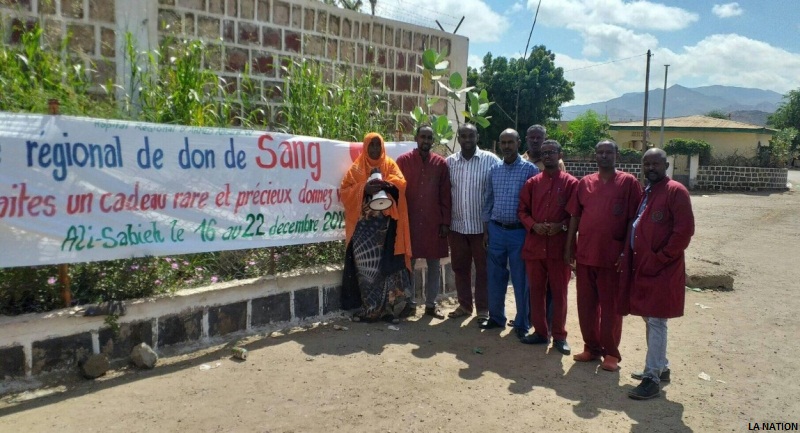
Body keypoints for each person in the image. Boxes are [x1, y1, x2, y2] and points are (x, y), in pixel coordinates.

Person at [619, 148, 695, 400]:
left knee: (656, 319)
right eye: (646, 163)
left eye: (656, 163)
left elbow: (683, 232)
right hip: (644, 266)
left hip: (663, 268)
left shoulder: (675, 191)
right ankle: (661, 367)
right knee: (648, 317)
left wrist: (660, 258)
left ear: (666, 165)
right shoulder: (648, 191)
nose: (651, 167)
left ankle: (651, 378)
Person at [565, 140, 643, 371]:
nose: (604, 156)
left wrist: (626, 251)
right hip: (586, 254)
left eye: (609, 152)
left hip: (612, 257)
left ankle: (611, 353)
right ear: (595, 156)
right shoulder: (584, 183)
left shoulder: (628, 183)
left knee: (611, 307)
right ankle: (591, 348)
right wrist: (570, 247)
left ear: (617, 155)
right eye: (600, 152)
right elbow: (575, 218)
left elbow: (633, 220)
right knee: (586, 305)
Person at [340, 132, 413, 323]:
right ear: (365, 147)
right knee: (367, 270)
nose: (374, 149)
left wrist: (386, 185)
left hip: (386, 230)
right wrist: (364, 188)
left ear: (382, 147)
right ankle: (371, 310)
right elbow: (344, 192)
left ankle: (388, 311)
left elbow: (401, 184)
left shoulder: (389, 165)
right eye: (371, 145)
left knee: (387, 269)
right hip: (363, 232)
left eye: (377, 145)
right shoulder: (356, 169)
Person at [517, 140, 577, 355]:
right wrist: (534, 225)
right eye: (544, 153)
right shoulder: (532, 183)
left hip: (559, 249)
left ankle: (559, 336)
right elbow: (522, 211)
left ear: (560, 154)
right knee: (536, 291)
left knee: (560, 293)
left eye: (552, 152)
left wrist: (561, 226)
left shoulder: (571, 183)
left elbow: (575, 216)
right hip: (535, 247)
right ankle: (541, 332)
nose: (548, 156)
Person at [479, 129, 539, 337]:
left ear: (518, 143)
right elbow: (488, 201)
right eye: (503, 142)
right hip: (496, 230)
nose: (506, 146)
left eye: (510, 142)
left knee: (521, 279)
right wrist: (486, 231)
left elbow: (534, 205)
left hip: (518, 233)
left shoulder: (530, 171)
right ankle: (496, 317)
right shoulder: (494, 170)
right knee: (495, 276)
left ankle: (522, 323)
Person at [445, 123, 501, 320]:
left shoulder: (491, 160)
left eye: (471, 136)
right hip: (457, 226)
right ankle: (464, 306)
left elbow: (497, 192)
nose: (467, 140)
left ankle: (483, 310)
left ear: (477, 137)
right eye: (463, 136)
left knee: (483, 269)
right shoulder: (450, 162)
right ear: (458, 138)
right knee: (460, 268)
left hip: (481, 228)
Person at [396, 125, 452, 319]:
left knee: (434, 264)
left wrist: (445, 222)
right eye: (423, 137)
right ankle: (410, 304)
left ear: (433, 141)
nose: (426, 141)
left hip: (433, 222)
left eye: (429, 138)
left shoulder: (440, 164)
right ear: (416, 138)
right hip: (409, 221)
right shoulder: (403, 161)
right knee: (407, 264)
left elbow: (446, 195)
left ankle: (430, 305)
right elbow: (396, 192)